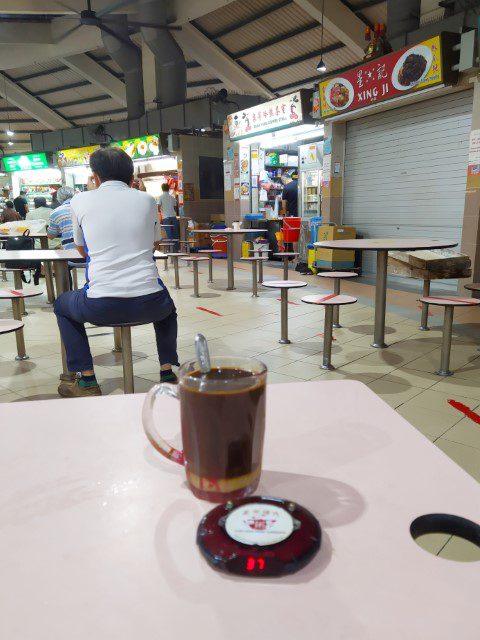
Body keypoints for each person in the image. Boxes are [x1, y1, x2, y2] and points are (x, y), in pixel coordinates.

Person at [53, 147, 179, 398]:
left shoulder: (79, 200)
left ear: (95, 176)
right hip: (150, 303)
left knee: (62, 305)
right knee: (168, 309)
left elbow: (81, 249)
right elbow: (155, 244)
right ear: (131, 177)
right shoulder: (146, 200)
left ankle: (87, 380)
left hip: (99, 306)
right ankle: (167, 372)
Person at [157, 182, 179, 250]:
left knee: (169, 234)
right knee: (175, 233)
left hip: (165, 217)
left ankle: (170, 249)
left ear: (162, 189)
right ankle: (176, 249)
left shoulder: (160, 197)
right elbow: (175, 208)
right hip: (173, 217)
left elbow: (158, 207)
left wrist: (162, 211)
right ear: (169, 189)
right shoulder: (172, 198)